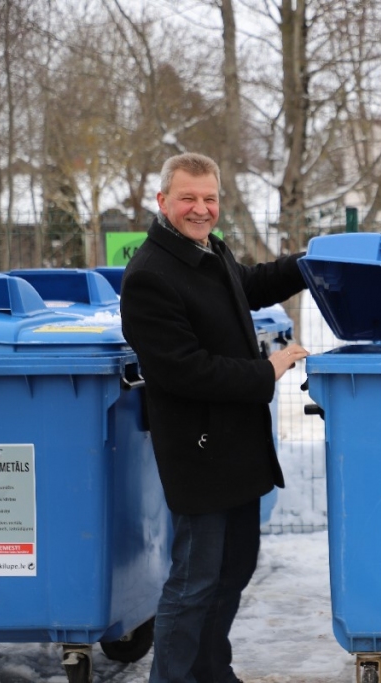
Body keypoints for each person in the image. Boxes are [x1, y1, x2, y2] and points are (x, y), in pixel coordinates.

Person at [120, 152, 310, 683]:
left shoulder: (207, 250)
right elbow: (183, 371)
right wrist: (266, 370)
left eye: (209, 198)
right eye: (188, 198)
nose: (201, 209)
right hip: (198, 452)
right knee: (194, 581)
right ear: (162, 202)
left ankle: (209, 672)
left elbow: (247, 285)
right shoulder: (150, 276)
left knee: (234, 570)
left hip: (236, 447)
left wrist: (308, 264)